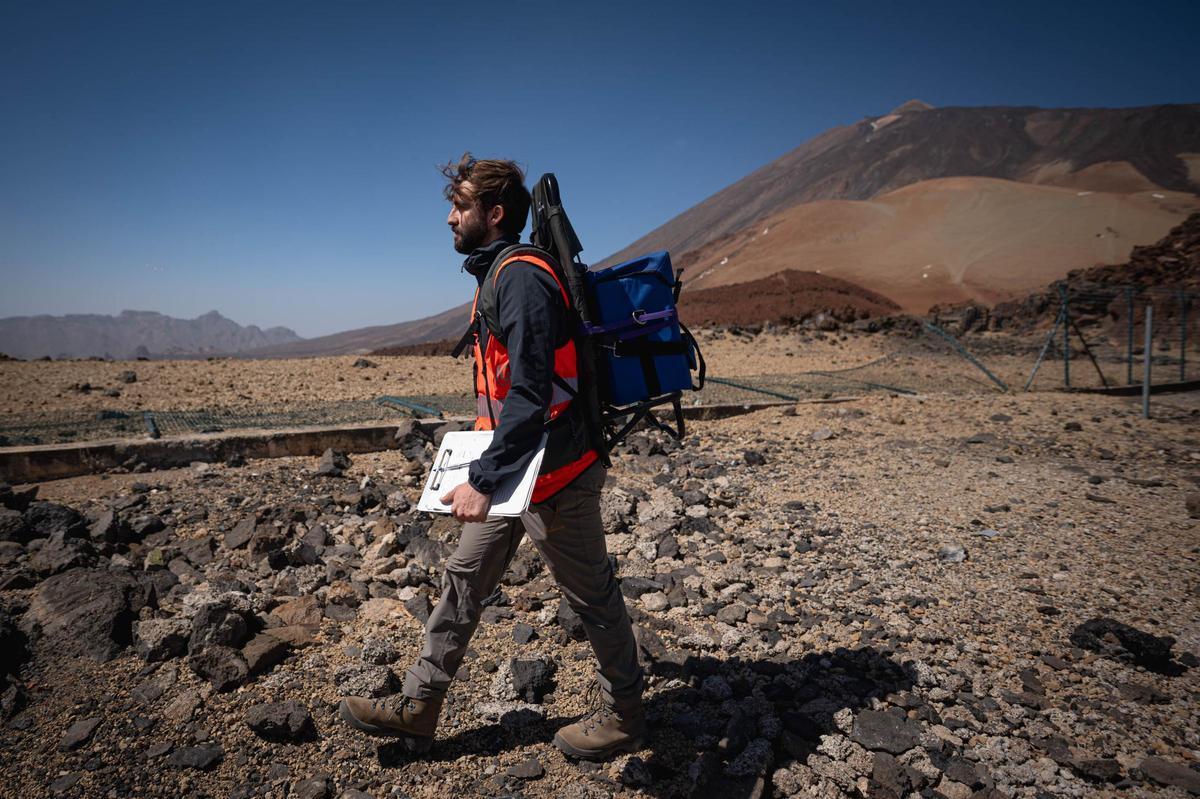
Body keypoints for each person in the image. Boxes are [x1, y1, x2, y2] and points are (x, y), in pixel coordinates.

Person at [338, 154, 646, 761]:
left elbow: (532, 392)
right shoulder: (496, 274)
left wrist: (480, 478)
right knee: (463, 578)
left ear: (494, 213)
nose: (450, 218)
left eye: (460, 207)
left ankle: (628, 718)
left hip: (557, 474)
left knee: (592, 599)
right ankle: (419, 706)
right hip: (515, 470)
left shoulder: (523, 278)